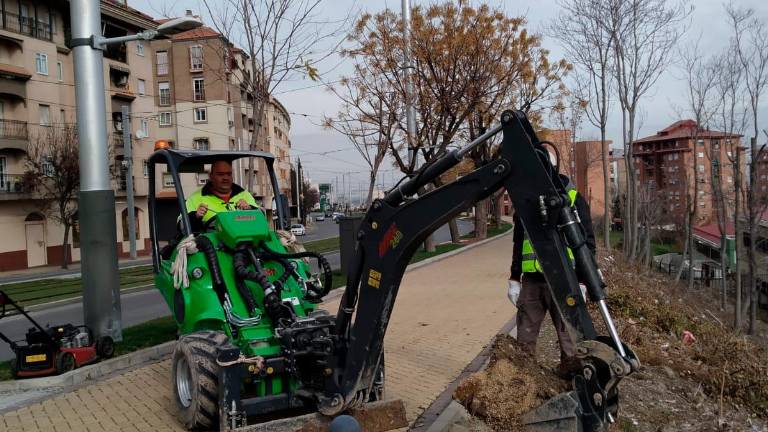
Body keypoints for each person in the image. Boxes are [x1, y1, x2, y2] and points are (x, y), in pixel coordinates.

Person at [508, 172, 596, 377]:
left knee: (570, 339)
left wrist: (583, 280)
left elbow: (587, 243)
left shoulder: (573, 199)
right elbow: (519, 241)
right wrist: (514, 276)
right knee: (525, 338)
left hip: (566, 281)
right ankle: (523, 382)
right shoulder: (526, 201)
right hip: (532, 281)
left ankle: (571, 382)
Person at [185, 159, 258, 231]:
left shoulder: (244, 194)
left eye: (229, 174)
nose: (225, 178)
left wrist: (249, 210)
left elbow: (260, 219)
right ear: (211, 176)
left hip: (244, 239)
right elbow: (182, 226)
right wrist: (195, 216)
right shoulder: (195, 198)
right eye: (220, 174)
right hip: (211, 241)